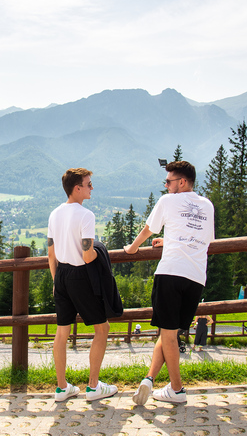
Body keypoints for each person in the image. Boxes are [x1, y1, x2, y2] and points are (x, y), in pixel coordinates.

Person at [125, 160, 214, 405]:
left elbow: (147, 230)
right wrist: (171, 240)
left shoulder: (167, 201)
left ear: (182, 182)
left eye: (169, 181)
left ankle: (177, 389)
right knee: (169, 333)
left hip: (170, 272)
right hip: (196, 277)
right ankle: (149, 379)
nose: (165, 186)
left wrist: (132, 249)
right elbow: (202, 239)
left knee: (169, 334)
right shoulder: (207, 205)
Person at [48, 167, 117, 402]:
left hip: (62, 275)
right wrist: (102, 252)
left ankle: (61, 388)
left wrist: (56, 281)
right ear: (77, 188)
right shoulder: (86, 215)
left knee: (62, 332)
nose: (91, 188)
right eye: (88, 184)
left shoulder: (54, 214)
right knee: (102, 328)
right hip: (80, 276)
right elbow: (88, 256)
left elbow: (51, 254)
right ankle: (93, 387)